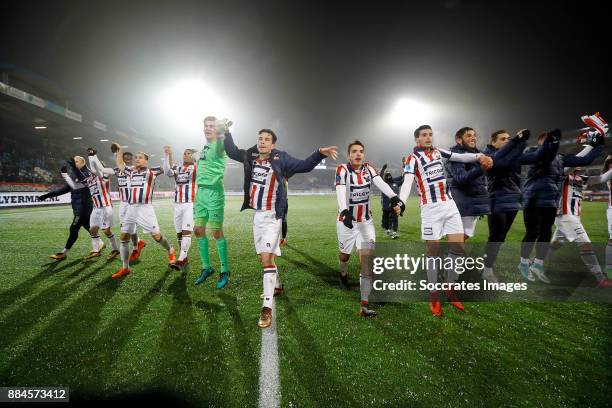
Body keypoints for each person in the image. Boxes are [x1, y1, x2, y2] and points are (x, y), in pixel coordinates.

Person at [223, 127, 337, 328]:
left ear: (273, 144)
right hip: (258, 215)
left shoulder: (280, 158)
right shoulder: (250, 156)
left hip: (273, 216)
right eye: (260, 138)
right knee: (263, 258)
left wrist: (319, 152)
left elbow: (303, 166)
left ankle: (266, 308)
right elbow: (232, 152)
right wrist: (227, 133)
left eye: (267, 139)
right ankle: (277, 286)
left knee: (267, 258)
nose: (263, 142)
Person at [398, 125, 493, 316]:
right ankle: (434, 294)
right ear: (417, 139)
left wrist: (478, 156)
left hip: (450, 206)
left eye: (430, 134)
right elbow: (407, 182)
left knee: (458, 248)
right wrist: (401, 201)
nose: (428, 138)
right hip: (430, 210)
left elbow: (461, 157)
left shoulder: (438, 152)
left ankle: (450, 288)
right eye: (424, 135)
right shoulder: (412, 159)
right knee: (432, 251)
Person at [518, 129, 604, 283]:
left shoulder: (560, 158)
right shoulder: (532, 152)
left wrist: (598, 145)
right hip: (533, 199)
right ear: (540, 142)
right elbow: (544, 155)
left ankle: (538, 265)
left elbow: (584, 160)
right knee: (532, 233)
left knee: (546, 234)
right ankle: (523, 263)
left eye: (551, 141)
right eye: (546, 141)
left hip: (550, 201)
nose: (549, 143)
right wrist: (553, 141)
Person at [335, 141, 404, 317]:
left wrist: (394, 197)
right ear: (348, 155)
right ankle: (343, 273)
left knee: (367, 261)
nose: (358, 154)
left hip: (365, 222)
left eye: (361, 152)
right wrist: (344, 211)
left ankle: (364, 304)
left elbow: (380, 183)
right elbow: (341, 190)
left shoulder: (369, 169)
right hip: (346, 221)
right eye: (354, 151)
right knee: (344, 255)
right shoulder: (342, 169)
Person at [482, 129, 545, 282]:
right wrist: (518, 141)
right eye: (503, 139)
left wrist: (549, 144)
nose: (506, 141)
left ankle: (486, 265)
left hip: (513, 200)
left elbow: (537, 156)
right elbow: (501, 161)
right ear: (493, 142)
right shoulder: (488, 156)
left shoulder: (514, 156)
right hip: (496, 200)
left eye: (508, 139)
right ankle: (487, 270)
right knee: (496, 236)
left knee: (501, 236)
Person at [112, 144, 177, 278]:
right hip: (130, 208)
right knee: (124, 238)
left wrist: (168, 155)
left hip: (145, 209)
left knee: (157, 237)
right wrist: (120, 150)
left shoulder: (151, 171)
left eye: (140, 158)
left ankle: (170, 249)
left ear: (146, 160)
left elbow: (166, 169)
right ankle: (125, 268)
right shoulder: (130, 171)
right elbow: (119, 163)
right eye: (136, 157)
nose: (137, 159)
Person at [547, 157, 612, 287]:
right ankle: (601, 279)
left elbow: (601, 179)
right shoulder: (562, 175)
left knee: (556, 244)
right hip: (565, 216)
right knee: (585, 244)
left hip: (574, 216)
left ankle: (535, 264)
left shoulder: (581, 178)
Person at [193, 117, 231, 289]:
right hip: (200, 192)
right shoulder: (205, 147)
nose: (208, 128)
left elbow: (223, 140)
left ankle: (225, 270)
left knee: (216, 232)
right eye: (206, 126)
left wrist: (223, 128)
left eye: (211, 126)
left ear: (216, 129)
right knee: (198, 230)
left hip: (214, 192)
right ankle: (206, 268)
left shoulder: (218, 144)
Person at [38, 159, 97, 260]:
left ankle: (64, 253)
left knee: (74, 229)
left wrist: (73, 168)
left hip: (84, 207)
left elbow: (84, 182)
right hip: (78, 207)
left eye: (77, 161)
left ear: (83, 163)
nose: (74, 163)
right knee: (89, 228)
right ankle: (99, 246)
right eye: (74, 162)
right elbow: (65, 189)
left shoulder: (88, 173)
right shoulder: (74, 175)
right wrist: (47, 195)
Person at [445, 127, 490, 241]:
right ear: (459, 140)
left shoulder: (479, 154)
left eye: (474, 135)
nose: (473, 138)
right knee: (459, 236)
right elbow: (461, 178)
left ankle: (451, 256)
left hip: (473, 200)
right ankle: (452, 257)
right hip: (462, 201)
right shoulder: (454, 155)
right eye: (469, 135)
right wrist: (481, 168)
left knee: (465, 235)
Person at [163, 146, 198, 270]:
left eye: (189, 153)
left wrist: (197, 157)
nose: (186, 155)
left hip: (190, 203)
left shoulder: (195, 168)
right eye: (184, 153)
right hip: (177, 204)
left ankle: (181, 258)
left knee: (186, 231)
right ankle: (184, 256)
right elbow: (167, 171)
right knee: (179, 234)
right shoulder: (178, 168)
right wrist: (167, 155)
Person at [379, 164, 403, 239]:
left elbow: (403, 179)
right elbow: (379, 178)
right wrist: (382, 169)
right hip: (386, 205)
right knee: (387, 219)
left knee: (394, 218)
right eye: (387, 175)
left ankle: (395, 233)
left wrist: (405, 167)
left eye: (389, 175)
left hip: (394, 204)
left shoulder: (395, 183)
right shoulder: (383, 184)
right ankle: (388, 230)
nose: (389, 176)